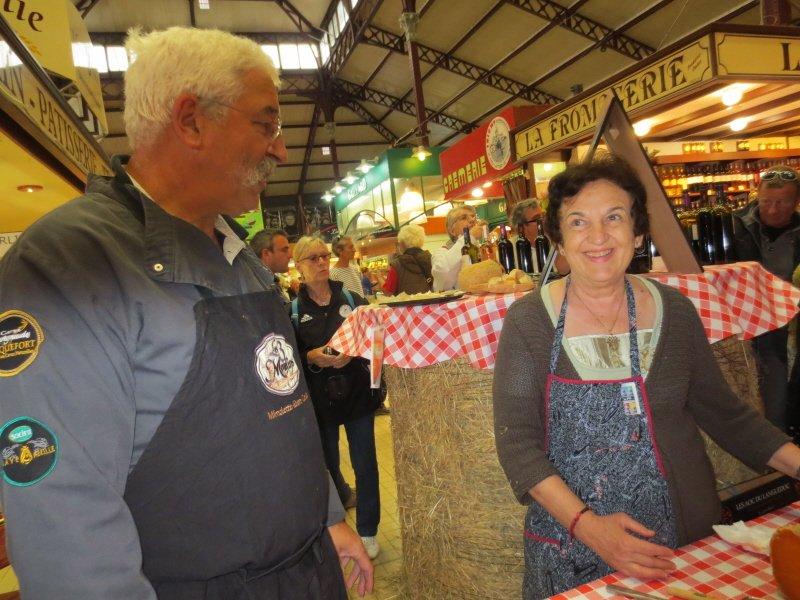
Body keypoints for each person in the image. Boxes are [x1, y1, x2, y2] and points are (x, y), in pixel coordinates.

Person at [0, 27, 373, 599]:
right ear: (191, 120)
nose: (280, 148)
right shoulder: (71, 263)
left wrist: (327, 515)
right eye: (266, 123)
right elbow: (63, 514)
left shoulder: (238, 255)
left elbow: (284, 407)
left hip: (306, 572)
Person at [492, 156, 800, 599]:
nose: (598, 237)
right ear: (558, 239)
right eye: (578, 222)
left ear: (637, 232)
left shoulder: (674, 310)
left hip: (682, 542)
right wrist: (591, 528)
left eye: (614, 218)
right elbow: (517, 446)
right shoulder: (529, 322)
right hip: (572, 545)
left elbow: (727, 415)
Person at [290, 236, 382, 561]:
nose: (320, 262)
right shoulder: (294, 310)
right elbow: (290, 355)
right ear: (299, 266)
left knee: (366, 463)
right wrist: (311, 356)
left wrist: (354, 352)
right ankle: (337, 526)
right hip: (320, 400)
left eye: (323, 256)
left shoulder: (349, 298)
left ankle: (369, 531)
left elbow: (375, 335)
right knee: (327, 467)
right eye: (312, 258)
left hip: (356, 393)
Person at [733, 165, 800, 432]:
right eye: (766, 202)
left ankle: (777, 440)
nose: (772, 210)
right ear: (756, 196)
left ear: (796, 202)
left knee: (775, 380)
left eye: (782, 203)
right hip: (738, 317)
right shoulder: (733, 224)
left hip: (782, 321)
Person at [431, 205, 485, 291]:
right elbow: (442, 275)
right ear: (452, 231)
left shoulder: (482, 249)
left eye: (473, 216)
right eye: (463, 218)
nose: (472, 220)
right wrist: (469, 237)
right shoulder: (441, 253)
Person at [510, 198, 570, 275]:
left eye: (543, 216)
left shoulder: (554, 239)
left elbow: (563, 270)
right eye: (537, 219)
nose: (543, 221)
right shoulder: (511, 248)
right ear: (521, 228)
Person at [382, 224, 433, 295]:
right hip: (431, 304)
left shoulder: (396, 265)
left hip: (405, 305)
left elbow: (388, 292)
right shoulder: (432, 259)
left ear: (403, 243)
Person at [251, 227, 292, 301]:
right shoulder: (256, 288)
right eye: (284, 250)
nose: (290, 255)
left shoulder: (272, 283)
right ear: (266, 253)